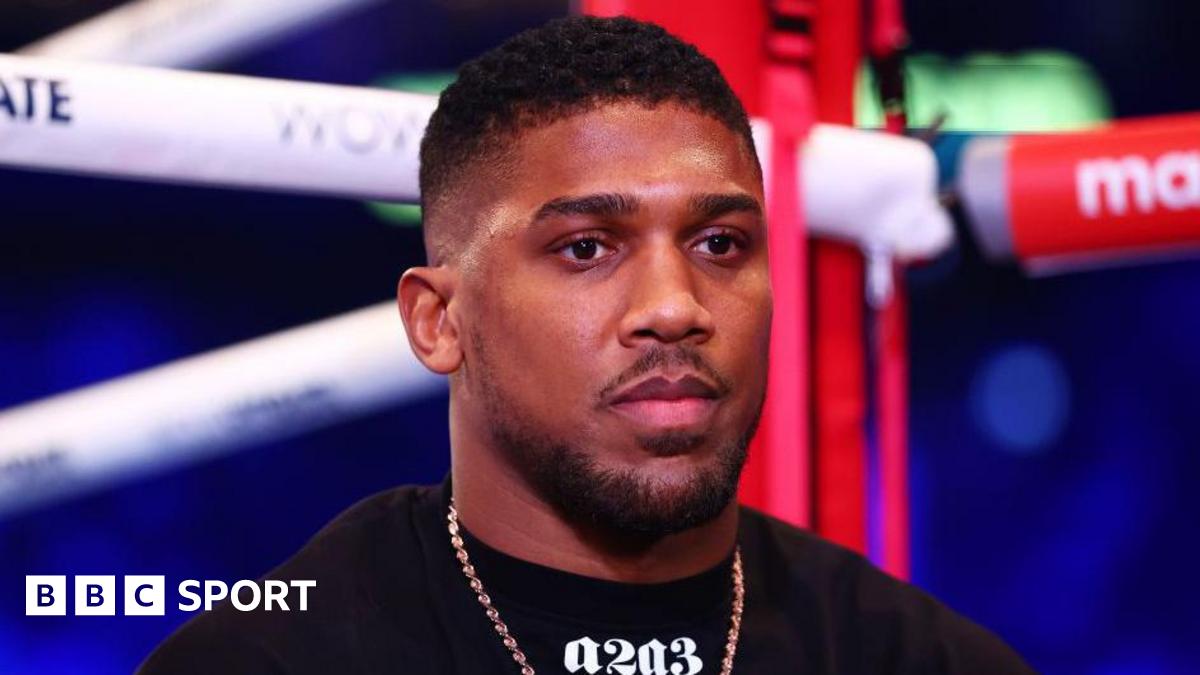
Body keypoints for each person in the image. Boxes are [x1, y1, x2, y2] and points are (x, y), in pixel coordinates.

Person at [139, 15, 1033, 675]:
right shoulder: (277, 656)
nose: (674, 307)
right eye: (586, 248)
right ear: (439, 320)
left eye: (719, 243)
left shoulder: (913, 657)